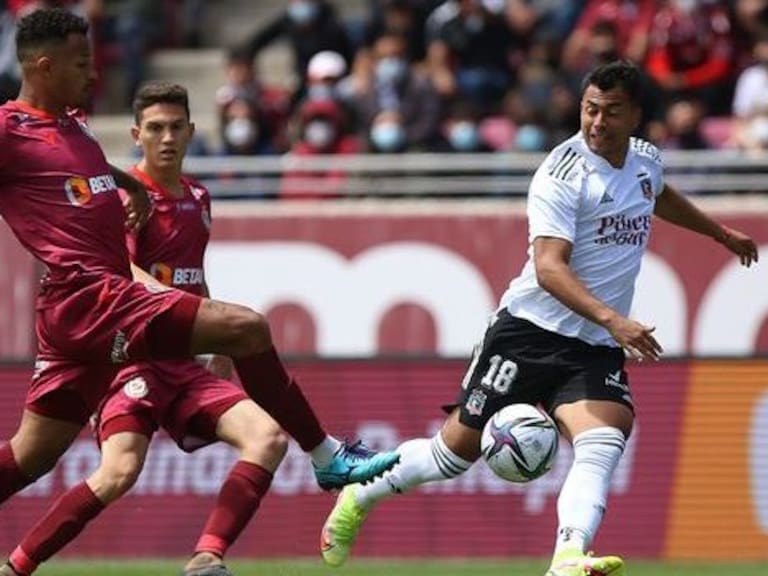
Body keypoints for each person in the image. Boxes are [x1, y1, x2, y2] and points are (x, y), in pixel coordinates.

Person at [319, 60, 759, 576]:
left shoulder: (645, 159)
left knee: (604, 438)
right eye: (590, 109)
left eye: (611, 112)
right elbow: (550, 269)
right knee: (451, 456)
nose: (597, 122)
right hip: (528, 333)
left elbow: (656, 194)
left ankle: (568, 556)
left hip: (592, 345)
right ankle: (360, 494)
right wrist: (614, 320)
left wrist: (718, 233)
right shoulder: (562, 173)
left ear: (636, 115)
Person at [0, 7, 399, 553]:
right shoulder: (9, 129)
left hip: (82, 313)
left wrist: (128, 186)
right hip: (94, 297)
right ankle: (327, 456)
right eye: (80, 63)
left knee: (32, 454)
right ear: (44, 67)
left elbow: (80, 168)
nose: (93, 73)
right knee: (247, 329)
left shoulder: (71, 122)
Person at [0, 82, 286, 576]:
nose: (167, 138)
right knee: (118, 471)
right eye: (155, 128)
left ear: (192, 131)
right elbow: (121, 272)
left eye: (175, 127)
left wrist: (213, 334)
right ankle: (18, 567)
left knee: (269, 437)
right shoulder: (120, 197)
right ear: (137, 135)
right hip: (130, 355)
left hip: (182, 361)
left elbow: (191, 272)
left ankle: (207, 558)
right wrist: (191, 316)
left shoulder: (199, 196)